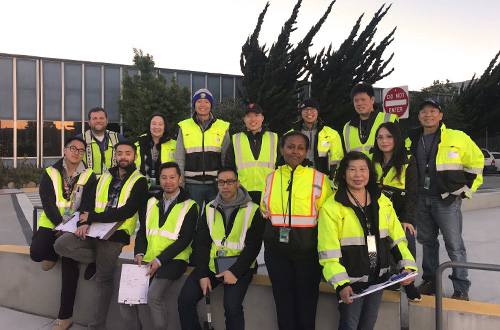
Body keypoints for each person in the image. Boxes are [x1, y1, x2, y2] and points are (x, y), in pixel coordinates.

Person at [54, 141, 148, 330]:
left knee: (103, 280)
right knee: (61, 244)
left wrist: (93, 217)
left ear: (135, 157)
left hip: (116, 233)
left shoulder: (140, 181)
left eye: (127, 153)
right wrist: (84, 222)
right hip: (93, 229)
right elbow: (89, 200)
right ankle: (96, 260)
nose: (123, 157)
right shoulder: (104, 176)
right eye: (119, 153)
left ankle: (96, 326)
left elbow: (127, 211)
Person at [318, 151, 417, 330]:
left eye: (363, 169)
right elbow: (328, 251)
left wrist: (406, 265)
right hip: (351, 282)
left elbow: (397, 239)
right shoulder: (331, 207)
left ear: (370, 173)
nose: (358, 175)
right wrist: (341, 283)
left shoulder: (383, 201)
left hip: (378, 279)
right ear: (343, 173)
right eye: (352, 170)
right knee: (349, 325)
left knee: (368, 325)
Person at [408, 99, 483, 301]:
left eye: (433, 111)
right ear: (419, 116)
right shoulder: (412, 138)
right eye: (423, 111)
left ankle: (461, 287)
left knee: (454, 245)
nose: (428, 115)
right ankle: (430, 280)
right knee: (427, 242)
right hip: (421, 198)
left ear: (441, 116)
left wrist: (465, 191)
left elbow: (476, 163)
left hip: (446, 199)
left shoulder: (457, 137)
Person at [261, 131, 333, 330]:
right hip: (277, 255)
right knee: (283, 307)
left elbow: (328, 219)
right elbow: (265, 212)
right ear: (282, 149)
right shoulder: (271, 178)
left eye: (301, 148)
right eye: (290, 146)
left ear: (306, 152)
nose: (295, 151)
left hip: (307, 256)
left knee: (307, 307)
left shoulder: (319, 179)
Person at [178, 167, 264, 330]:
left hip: (240, 267)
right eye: (221, 182)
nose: (225, 186)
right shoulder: (210, 207)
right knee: (185, 300)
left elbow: (253, 247)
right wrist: (202, 274)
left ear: (238, 183)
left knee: (232, 308)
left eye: (230, 182)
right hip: (211, 266)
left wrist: (235, 272)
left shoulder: (253, 210)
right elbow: (202, 243)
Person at [120, 162, 198, 330]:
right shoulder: (150, 202)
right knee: (126, 298)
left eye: (172, 177)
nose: (167, 181)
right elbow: (142, 232)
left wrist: (159, 260)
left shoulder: (190, 206)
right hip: (147, 258)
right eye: (164, 178)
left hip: (174, 260)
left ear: (180, 179)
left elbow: (185, 240)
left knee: (154, 296)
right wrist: (139, 252)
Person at [30, 137, 96, 330]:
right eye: (73, 148)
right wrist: (59, 224)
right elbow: (48, 202)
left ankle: (64, 317)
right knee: (36, 253)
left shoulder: (89, 175)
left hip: (74, 227)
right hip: (52, 222)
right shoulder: (50, 173)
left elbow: (87, 204)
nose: (76, 152)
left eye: (81, 150)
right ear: (65, 150)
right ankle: (53, 253)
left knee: (70, 268)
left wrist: (72, 227)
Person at [372, 122, 421, 301]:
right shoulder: (372, 160)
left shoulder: (408, 160)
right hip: (378, 212)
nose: (384, 141)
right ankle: (386, 278)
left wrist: (407, 218)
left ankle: (408, 283)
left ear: (397, 138)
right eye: (380, 137)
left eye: (389, 136)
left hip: (400, 212)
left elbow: (413, 192)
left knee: (407, 238)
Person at [175, 89, 231, 208]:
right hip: (192, 185)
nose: (202, 105)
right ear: (194, 104)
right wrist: (180, 184)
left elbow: (226, 158)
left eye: (206, 102)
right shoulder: (184, 127)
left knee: (215, 219)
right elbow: (179, 158)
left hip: (216, 185)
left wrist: (226, 183)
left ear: (211, 105)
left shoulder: (222, 127)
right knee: (192, 220)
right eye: (199, 101)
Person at [225, 103, 278, 204]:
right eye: (249, 116)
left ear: (262, 118)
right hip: (243, 193)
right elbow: (229, 167)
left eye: (256, 115)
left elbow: (281, 166)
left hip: (269, 192)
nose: (252, 119)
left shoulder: (274, 138)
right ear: (244, 119)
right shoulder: (236, 139)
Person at [290, 98, 343, 179]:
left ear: (318, 111)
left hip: (322, 179)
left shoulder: (332, 134)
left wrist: (334, 181)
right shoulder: (291, 134)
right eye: (305, 109)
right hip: (297, 179)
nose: (309, 112)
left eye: (312, 109)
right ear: (301, 113)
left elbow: (337, 160)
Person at [343, 82, 398, 156]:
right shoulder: (348, 127)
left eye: (363, 99)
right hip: (358, 167)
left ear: (372, 100)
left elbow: (404, 147)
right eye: (356, 100)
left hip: (383, 167)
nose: (359, 103)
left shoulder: (389, 119)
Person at [78, 107, 125, 177]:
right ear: (89, 122)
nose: (98, 121)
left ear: (107, 121)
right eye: (95, 118)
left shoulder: (118, 138)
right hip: (88, 184)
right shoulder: (80, 139)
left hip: (113, 183)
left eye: (101, 118)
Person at [135, 113, 176, 186]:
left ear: (164, 127)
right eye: (154, 124)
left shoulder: (175, 145)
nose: (157, 127)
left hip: (167, 187)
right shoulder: (138, 144)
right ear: (149, 126)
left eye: (160, 124)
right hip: (141, 187)